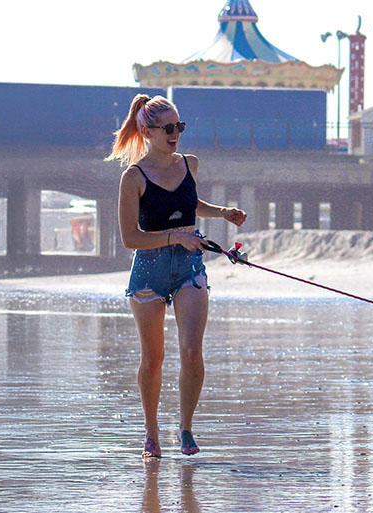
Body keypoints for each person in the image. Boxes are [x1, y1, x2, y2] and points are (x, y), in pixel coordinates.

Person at [107, 94, 247, 458]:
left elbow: (188, 203)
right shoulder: (132, 177)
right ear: (146, 131)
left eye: (179, 126)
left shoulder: (190, 164)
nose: (175, 134)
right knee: (153, 358)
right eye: (168, 128)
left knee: (191, 351)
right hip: (149, 269)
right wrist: (176, 237)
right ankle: (151, 433)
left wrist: (222, 213)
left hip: (190, 267)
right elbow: (129, 238)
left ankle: (185, 428)